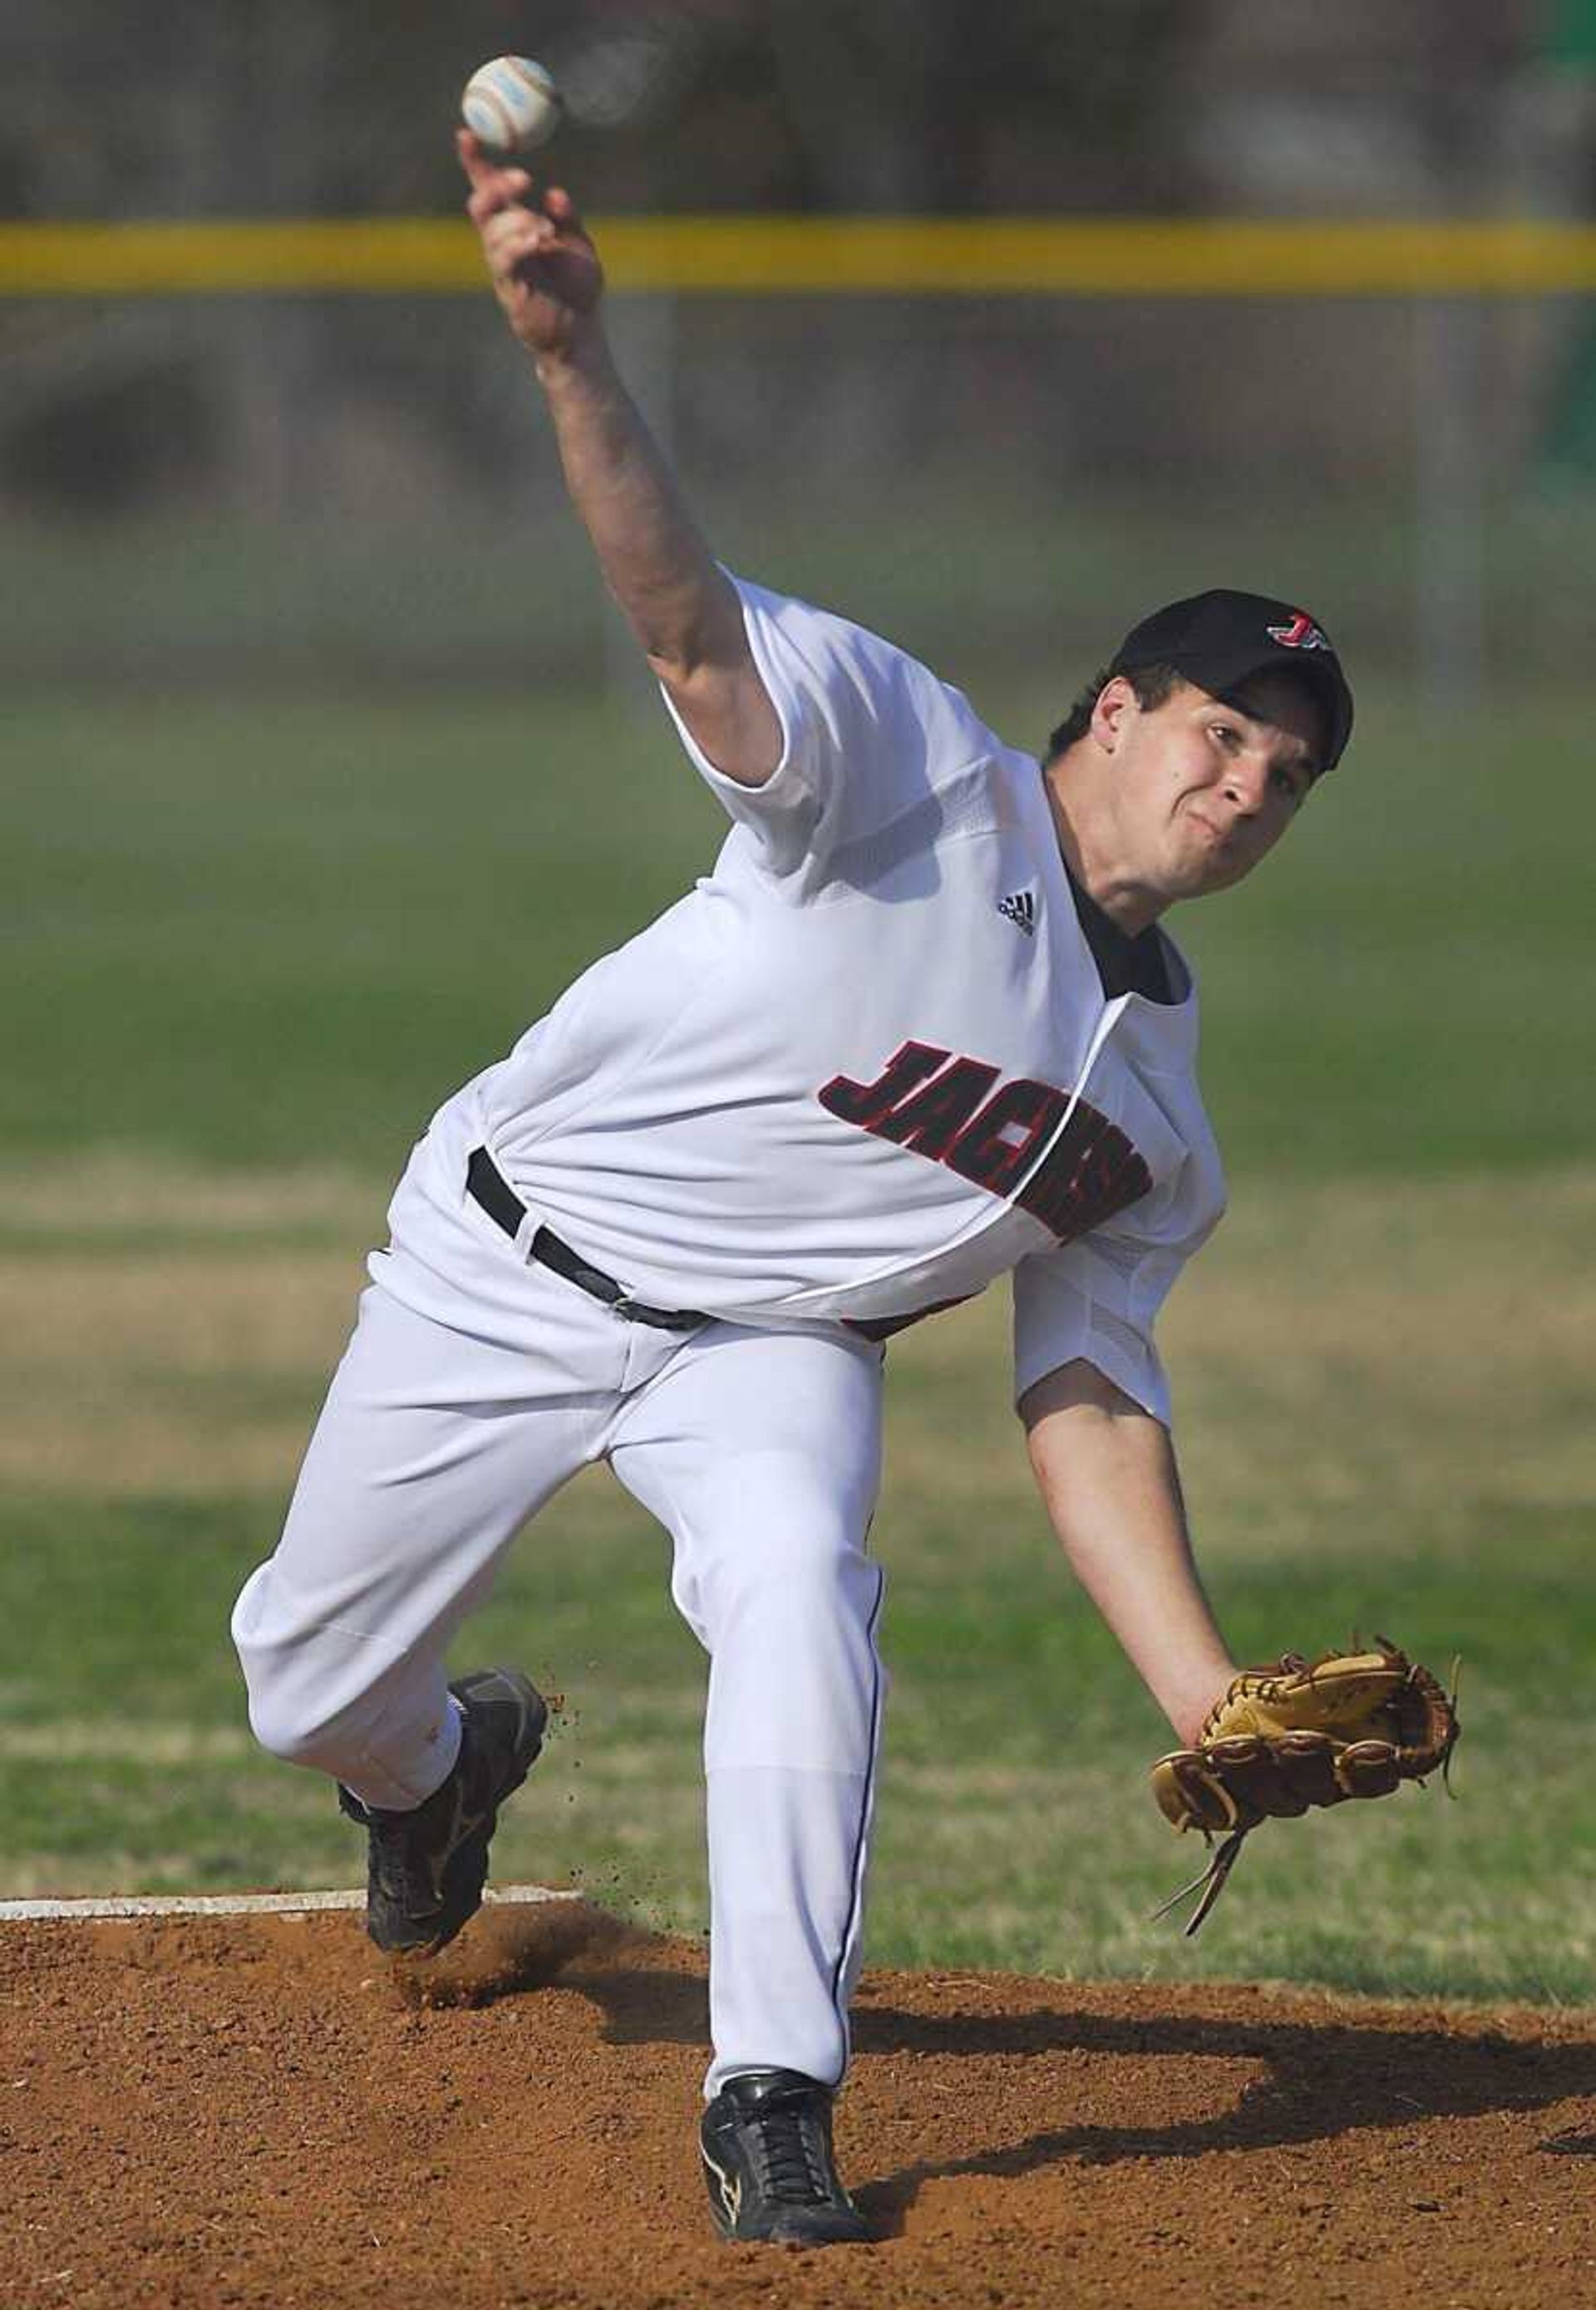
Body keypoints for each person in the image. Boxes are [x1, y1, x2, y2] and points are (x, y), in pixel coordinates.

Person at [231, 133, 1356, 2249]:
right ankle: (431, 1769)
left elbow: (1088, 1399)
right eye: (1218, 729)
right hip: (509, 1255)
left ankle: (774, 2094)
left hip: (769, 1352)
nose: (1244, 783)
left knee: (801, 1584)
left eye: (1286, 773)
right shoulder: (904, 763)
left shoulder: (1162, 1114)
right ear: (1110, 713)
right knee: (300, 1681)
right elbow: (681, 617)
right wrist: (573, 355)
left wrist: (1204, 1694)